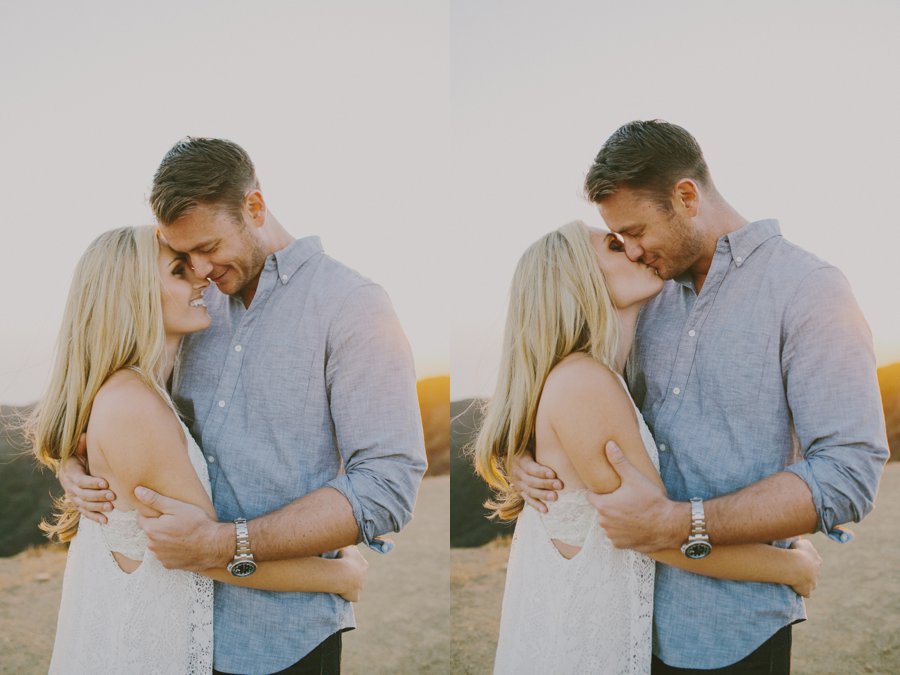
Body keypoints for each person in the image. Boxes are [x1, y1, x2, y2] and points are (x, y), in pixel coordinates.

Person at [511, 121, 889, 673]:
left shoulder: (808, 289)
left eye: (636, 230)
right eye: (618, 239)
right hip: (624, 619)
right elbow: (566, 389)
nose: (634, 251)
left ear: (686, 196)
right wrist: (523, 457)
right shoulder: (645, 293)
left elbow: (848, 471)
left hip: (732, 626)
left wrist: (681, 522)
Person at [59, 138, 427, 674]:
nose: (201, 269)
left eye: (209, 246)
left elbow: (386, 486)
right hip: (175, 626)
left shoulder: (352, 305)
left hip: (283, 638)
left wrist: (223, 543)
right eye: (183, 258)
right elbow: (121, 406)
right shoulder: (193, 308)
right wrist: (77, 467)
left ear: (254, 207)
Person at [474, 221, 822, 674]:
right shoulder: (585, 384)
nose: (637, 250)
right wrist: (791, 569)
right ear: (579, 277)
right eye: (616, 245)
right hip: (586, 648)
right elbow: (655, 535)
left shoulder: (595, 377)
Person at [31, 226, 368, 674]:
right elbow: (204, 554)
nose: (201, 278)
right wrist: (339, 576)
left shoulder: (143, 390)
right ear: (132, 295)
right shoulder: (134, 404)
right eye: (178, 270)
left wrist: (69, 464)